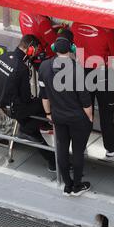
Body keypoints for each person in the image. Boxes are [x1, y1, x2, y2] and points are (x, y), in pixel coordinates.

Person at [38, 30, 93, 196]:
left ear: (54, 47)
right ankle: (77, 185)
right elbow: (85, 101)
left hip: (57, 116)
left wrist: (48, 114)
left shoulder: (44, 66)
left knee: (61, 148)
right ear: (72, 48)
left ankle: (67, 185)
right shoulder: (77, 69)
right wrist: (89, 117)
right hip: (78, 118)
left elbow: (44, 95)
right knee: (78, 150)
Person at [0, 35, 56, 172]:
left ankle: (50, 158)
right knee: (48, 105)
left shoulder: (3, 57)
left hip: (1, 104)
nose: (36, 53)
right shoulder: (22, 68)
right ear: (30, 48)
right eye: (36, 50)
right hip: (16, 109)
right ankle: (30, 130)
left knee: (35, 117)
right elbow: (26, 98)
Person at [71, 22, 114, 158]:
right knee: (106, 113)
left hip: (83, 71)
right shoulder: (107, 30)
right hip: (103, 74)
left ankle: (80, 145)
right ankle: (111, 147)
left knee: (85, 111)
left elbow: (73, 47)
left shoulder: (75, 25)